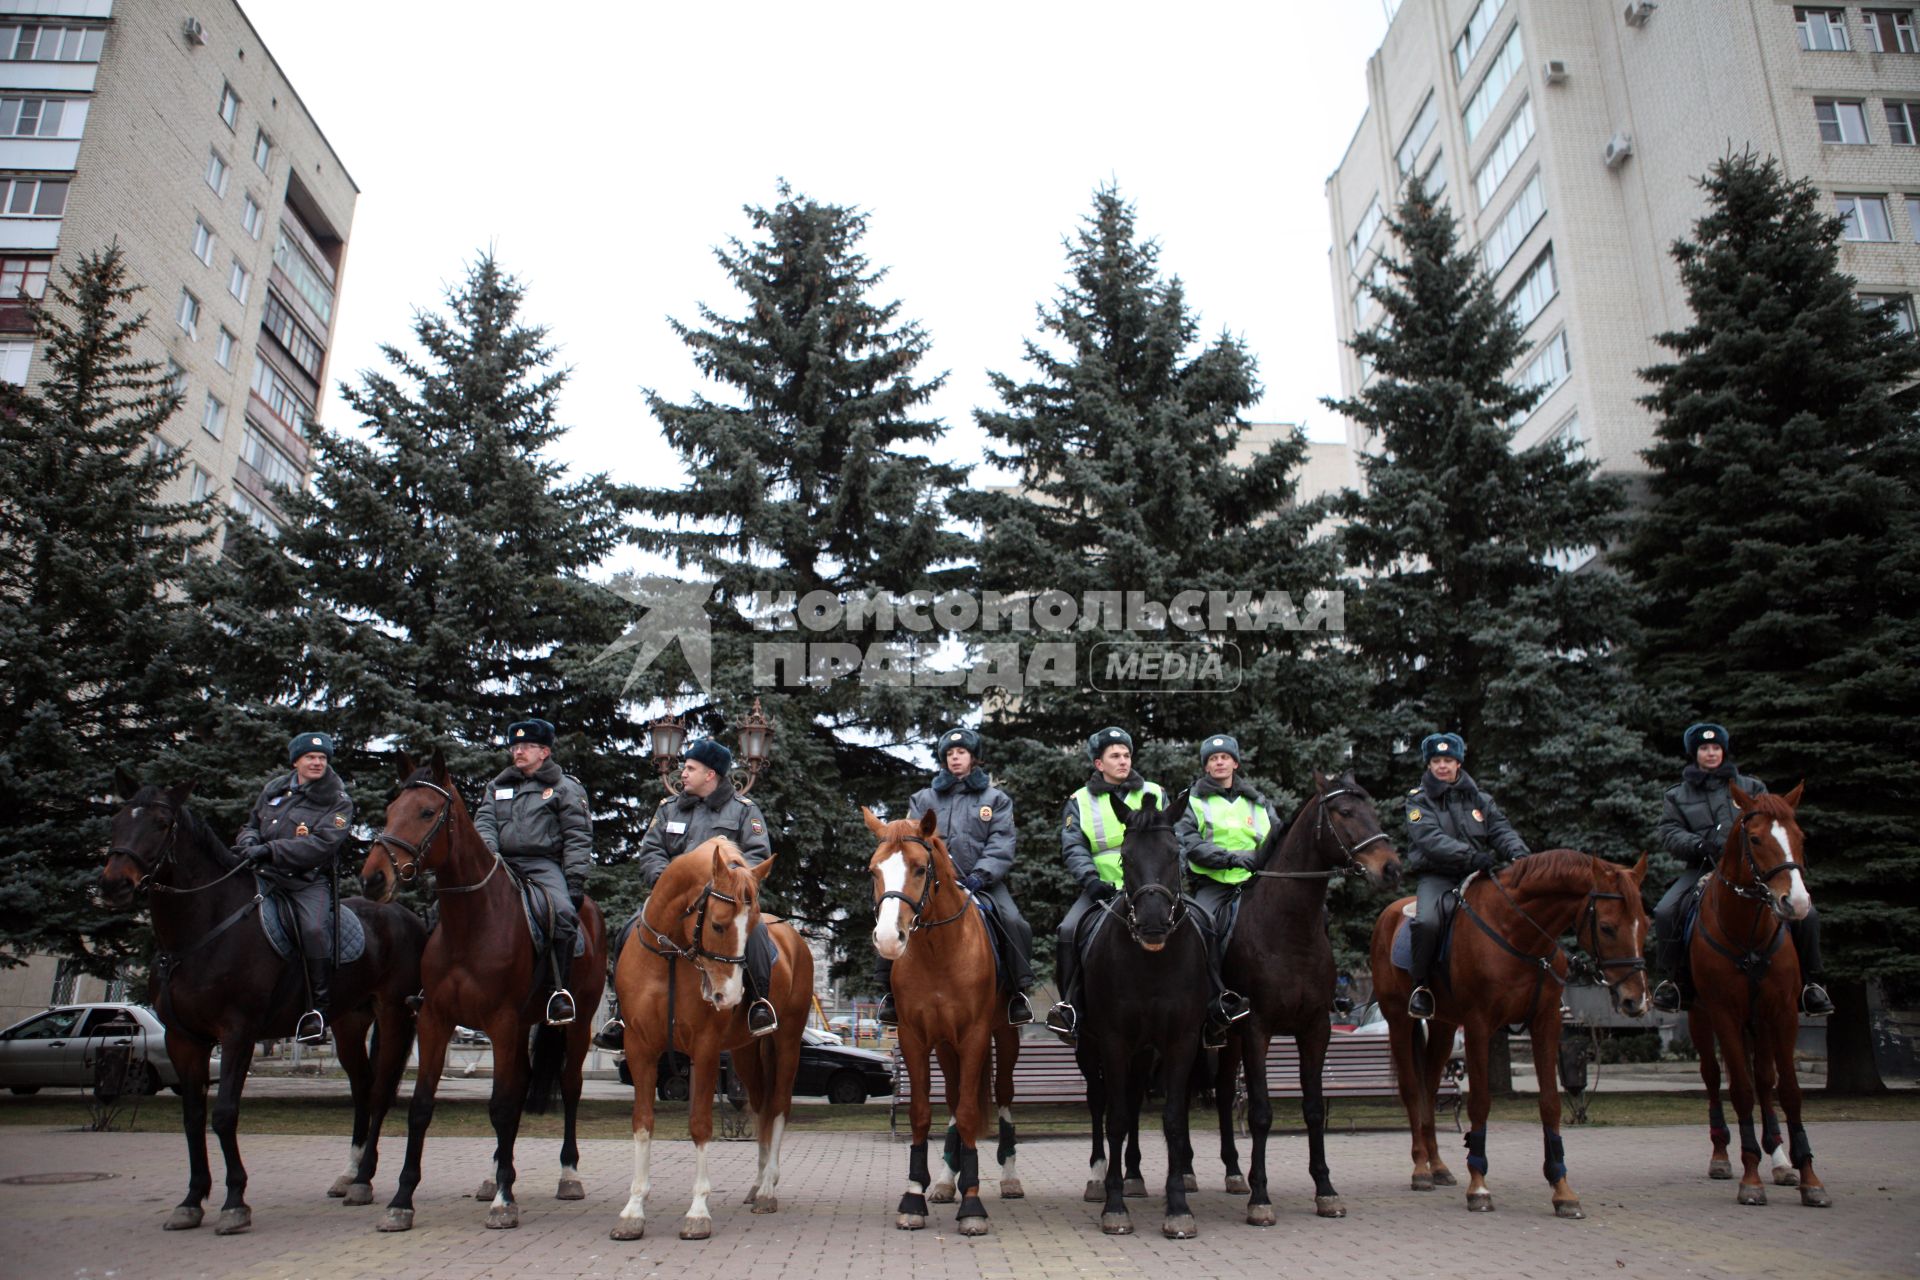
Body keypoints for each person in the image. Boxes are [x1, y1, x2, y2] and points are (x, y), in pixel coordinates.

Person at [1047, 726, 1242, 1048]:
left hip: (1157, 891)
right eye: (1115, 756)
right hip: (1103, 890)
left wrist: (1172, 883)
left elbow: (1173, 841)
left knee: (1205, 923)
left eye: (1126, 755)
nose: (1123, 761)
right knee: (1068, 930)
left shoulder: (1153, 791)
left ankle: (1216, 1000)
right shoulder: (1080, 800)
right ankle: (1071, 1009)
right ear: (1099, 764)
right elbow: (1074, 846)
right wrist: (1091, 880)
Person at [1651, 723, 1832, 1016]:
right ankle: (1675, 983)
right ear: (1694, 754)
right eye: (1704, 749)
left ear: (1723, 750)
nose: (1711, 753)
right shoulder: (1677, 795)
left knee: (1807, 914)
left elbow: (1773, 823)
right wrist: (1699, 845)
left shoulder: (1751, 787)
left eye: (1716, 748)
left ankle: (1812, 985)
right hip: (1701, 866)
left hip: (1753, 869)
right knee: (1665, 911)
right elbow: (1669, 831)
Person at [617, 737, 779, 1040]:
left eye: (691, 768)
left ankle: (759, 1001)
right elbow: (651, 851)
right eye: (683, 768)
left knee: (756, 934)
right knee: (629, 931)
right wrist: (664, 884)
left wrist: (728, 885)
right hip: (674, 900)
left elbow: (756, 855)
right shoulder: (668, 809)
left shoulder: (744, 810)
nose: (683, 774)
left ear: (711, 775)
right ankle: (620, 1014)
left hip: (724, 900)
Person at [876, 727, 1034, 1028]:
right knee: (893, 915)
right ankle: (890, 995)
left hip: (982, 882)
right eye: (950, 754)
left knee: (1014, 921)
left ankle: (1017, 993)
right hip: (930, 884)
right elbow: (911, 842)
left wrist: (981, 874)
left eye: (961, 753)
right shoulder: (923, 798)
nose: (955, 758)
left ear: (974, 758)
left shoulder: (995, 799)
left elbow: (1002, 841)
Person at [234, 731, 355, 1044]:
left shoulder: (337, 800)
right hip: (263, 875)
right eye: (310, 758)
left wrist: (271, 850)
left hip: (305, 882)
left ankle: (318, 1010)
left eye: (322, 758)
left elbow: (322, 844)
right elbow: (251, 825)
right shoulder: (274, 790)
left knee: (314, 929)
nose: (317, 763)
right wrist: (249, 842)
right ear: (296, 761)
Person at [1403, 732, 1531, 1021]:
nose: (1442, 766)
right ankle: (1420, 985)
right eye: (1436, 760)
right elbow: (1429, 839)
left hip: (1478, 875)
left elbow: (1501, 831)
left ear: (1458, 763)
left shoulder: (1480, 799)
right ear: (1429, 765)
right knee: (1427, 922)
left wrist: (1522, 858)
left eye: (1448, 760)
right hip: (1437, 877)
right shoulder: (1418, 801)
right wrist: (1469, 855)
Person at [474, 718, 592, 1026]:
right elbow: (484, 822)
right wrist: (490, 853)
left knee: (564, 913)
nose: (518, 752)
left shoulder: (565, 788)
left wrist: (576, 880)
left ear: (544, 752)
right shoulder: (497, 785)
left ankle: (558, 993)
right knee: (445, 908)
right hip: (500, 864)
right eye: (515, 746)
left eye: (526, 747)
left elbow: (578, 836)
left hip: (543, 865)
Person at [1176, 733, 1273, 1027]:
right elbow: (1189, 841)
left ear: (1235, 763)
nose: (1219, 762)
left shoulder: (1258, 801)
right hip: (1214, 885)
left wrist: (1260, 859)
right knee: (1200, 926)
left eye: (1225, 757)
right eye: (1213, 759)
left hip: (1256, 883)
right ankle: (1215, 997)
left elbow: (1276, 835)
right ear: (1206, 767)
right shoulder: (1192, 800)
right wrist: (1230, 859)